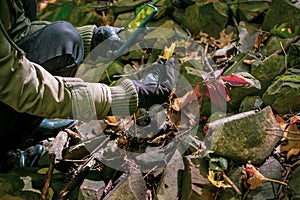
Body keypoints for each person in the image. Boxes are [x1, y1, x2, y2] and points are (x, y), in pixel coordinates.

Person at [0, 0, 174, 170]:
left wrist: (92, 40)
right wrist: (120, 97)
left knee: (64, 38)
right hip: (10, 85)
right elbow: (19, 85)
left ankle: (25, 123)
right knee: (61, 42)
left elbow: (17, 32)